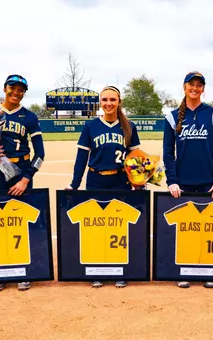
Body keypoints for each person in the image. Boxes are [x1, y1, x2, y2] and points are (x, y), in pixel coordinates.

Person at [66, 85, 141, 289]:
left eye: (113, 100)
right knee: (97, 227)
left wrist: (138, 182)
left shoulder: (129, 127)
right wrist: (74, 184)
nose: (109, 103)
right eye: (105, 100)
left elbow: (136, 159)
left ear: (119, 102)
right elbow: (81, 159)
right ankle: (97, 268)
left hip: (121, 182)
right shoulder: (91, 126)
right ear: (100, 102)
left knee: (119, 226)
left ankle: (119, 268)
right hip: (95, 181)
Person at [0, 74, 45, 292]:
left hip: (21, 172)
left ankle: (24, 268)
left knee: (22, 220)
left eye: (20, 90)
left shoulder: (30, 117)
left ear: (25, 92)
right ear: (4, 88)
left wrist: (26, 179)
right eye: (12, 88)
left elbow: (40, 154)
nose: (16, 93)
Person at [163, 71, 213, 289]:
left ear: (203, 89)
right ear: (184, 87)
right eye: (192, 84)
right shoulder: (172, 117)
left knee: (207, 227)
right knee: (187, 228)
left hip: (208, 182)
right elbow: (167, 152)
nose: (195, 88)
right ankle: (186, 269)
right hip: (183, 183)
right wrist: (171, 180)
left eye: (199, 85)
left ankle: (208, 270)